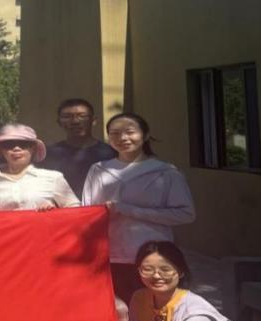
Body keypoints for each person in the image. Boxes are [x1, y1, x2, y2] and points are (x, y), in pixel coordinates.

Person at [81, 112, 196, 306]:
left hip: (152, 257)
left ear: (146, 135)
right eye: (115, 133)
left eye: (130, 132)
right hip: (109, 256)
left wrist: (130, 210)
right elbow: (87, 212)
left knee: (150, 310)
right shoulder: (98, 170)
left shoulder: (166, 172)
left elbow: (186, 214)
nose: (123, 138)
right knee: (115, 313)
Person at [0, 124, 80, 211]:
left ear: (33, 148)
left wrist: (54, 211)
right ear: (1, 149)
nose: (16, 148)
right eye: (8, 144)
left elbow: (75, 210)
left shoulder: (54, 178)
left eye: (24, 144)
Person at [37, 98, 117, 197]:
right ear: (59, 122)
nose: (75, 121)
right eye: (67, 117)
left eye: (82, 116)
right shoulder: (48, 154)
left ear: (94, 121)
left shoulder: (111, 153)